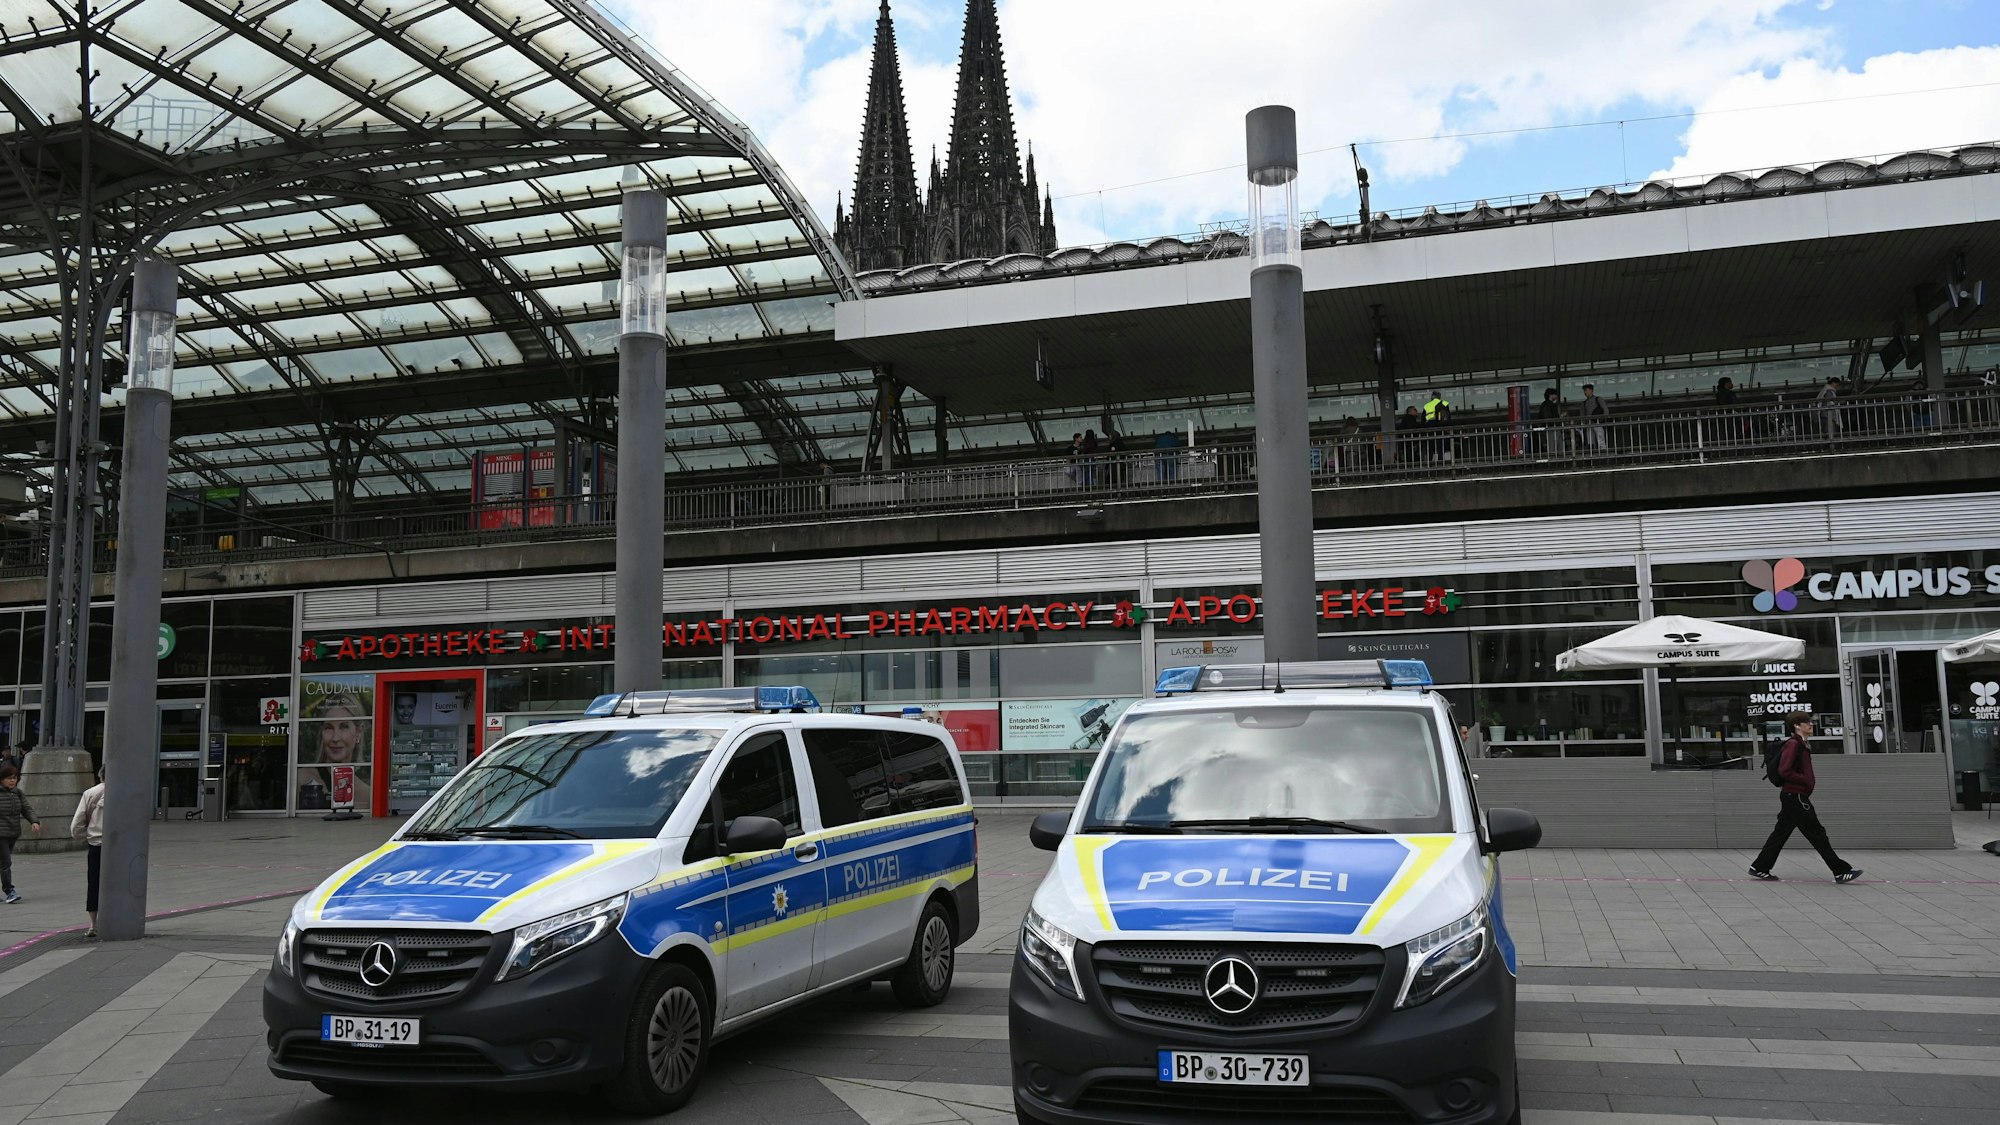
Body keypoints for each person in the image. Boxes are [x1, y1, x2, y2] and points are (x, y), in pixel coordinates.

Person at [1749, 712, 1862, 884]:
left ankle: (1760, 867)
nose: (1811, 725)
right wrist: (1805, 780)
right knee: (1817, 833)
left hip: (1792, 796)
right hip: (1795, 796)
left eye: (1810, 722)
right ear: (1797, 726)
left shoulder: (1802, 744)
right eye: (1806, 722)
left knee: (1780, 833)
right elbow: (1784, 770)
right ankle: (1840, 871)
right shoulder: (1794, 745)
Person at [0, 765, 41, 904]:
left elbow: (26, 808)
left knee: (2, 863)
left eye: (15, 778)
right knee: (6, 862)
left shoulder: (17, 793)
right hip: (1, 834)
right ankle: (9, 891)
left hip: (13, 832)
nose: (12, 781)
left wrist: (34, 821)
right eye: (9, 778)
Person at [72, 765, 104, 936]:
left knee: (94, 883)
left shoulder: (91, 793)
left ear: (101, 776)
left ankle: (93, 924)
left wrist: (85, 835)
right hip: (120, 846)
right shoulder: (125, 791)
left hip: (97, 843)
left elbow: (76, 824)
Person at [1579, 383, 1609, 451]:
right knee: (1591, 442)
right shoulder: (1584, 403)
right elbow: (1582, 415)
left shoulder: (1598, 399)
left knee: (1600, 440)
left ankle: (1602, 454)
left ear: (1591, 390)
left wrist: (1602, 419)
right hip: (1589, 424)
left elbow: (1605, 410)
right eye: (1584, 390)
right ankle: (1593, 454)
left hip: (1597, 422)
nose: (1585, 392)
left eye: (1586, 390)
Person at [1534, 389, 1562, 456]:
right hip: (1552, 428)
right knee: (1555, 447)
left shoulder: (1544, 405)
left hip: (1551, 428)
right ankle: (1556, 462)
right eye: (1555, 395)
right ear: (1551, 395)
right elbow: (1548, 418)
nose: (1556, 396)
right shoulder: (1550, 405)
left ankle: (1553, 462)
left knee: (1552, 447)